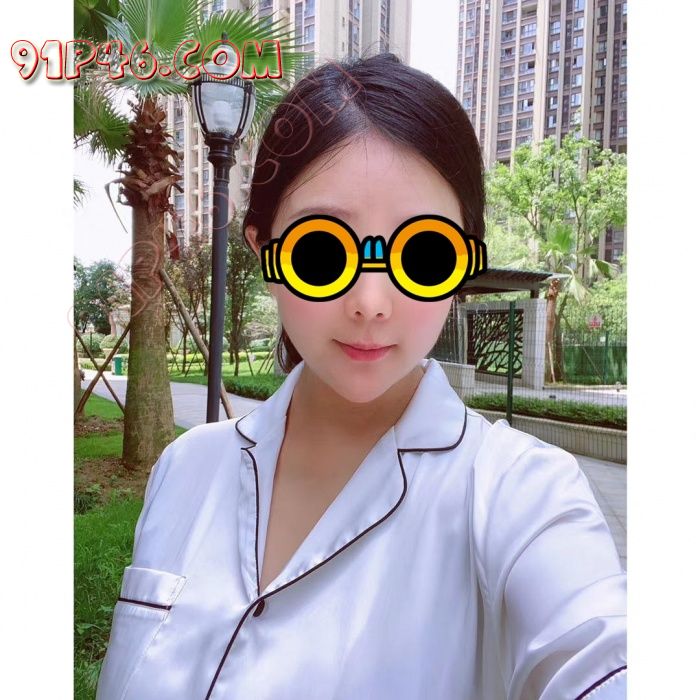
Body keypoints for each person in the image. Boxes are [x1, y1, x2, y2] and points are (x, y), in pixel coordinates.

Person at [96, 54, 627, 699]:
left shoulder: (521, 496)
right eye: (322, 252)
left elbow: (599, 653)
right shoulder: (185, 470)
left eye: (423, 254)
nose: (371, 302)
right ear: (264, 248)